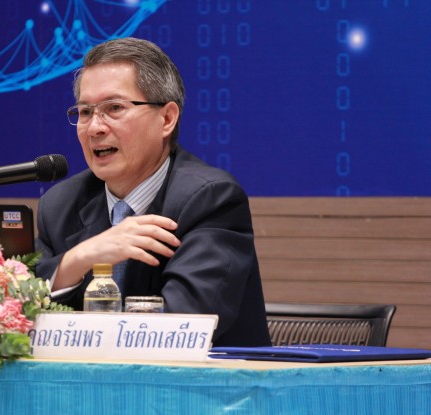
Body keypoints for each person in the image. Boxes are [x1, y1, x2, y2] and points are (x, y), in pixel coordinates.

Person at [35, 37, 271, 347]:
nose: (94, 128)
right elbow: (17, 318)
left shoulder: (210, 199)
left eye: (114, 108)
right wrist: (77, 260)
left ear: (167, 119)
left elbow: (181, 328)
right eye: (85, 112)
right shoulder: (60, 205)